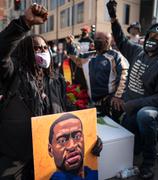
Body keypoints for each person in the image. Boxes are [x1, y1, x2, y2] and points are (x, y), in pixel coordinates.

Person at [0, 4, 101, 180]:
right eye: (36, 49)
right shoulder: (13, 73)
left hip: (48, 158)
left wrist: (91, 136)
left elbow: (69, 110)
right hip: (17, 156)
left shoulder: (57, 80)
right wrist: (23, 23)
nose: (42, 52)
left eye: (44, 48)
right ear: (24, 53)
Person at [106, 0, 158, 179]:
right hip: (132, 109)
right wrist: (113, 17)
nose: (153, 39)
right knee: (128, 147)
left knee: (144, 115)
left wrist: (133, 104)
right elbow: (121, 41)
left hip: (152, 112)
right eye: (152, 35)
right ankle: (139, 150)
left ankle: (149, 162)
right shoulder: (137, 51)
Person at [69, 32, 129, 121]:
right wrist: (71, 44)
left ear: (108, 41)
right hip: (91, 103)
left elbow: (124, 74)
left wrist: (118, 96)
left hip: (109, 103)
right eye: (95, 39)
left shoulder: (115, 56)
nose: (96, 41)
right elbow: (75, 58)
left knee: (111, 128)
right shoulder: (88, 56)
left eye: (100, 39)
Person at [48, 113, 99, 180]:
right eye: (62, 141)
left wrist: (95, 141)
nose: (72, 146)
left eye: (77, 136)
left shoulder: (95, 174)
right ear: (50, 150)